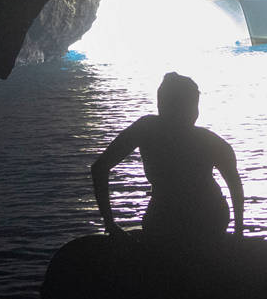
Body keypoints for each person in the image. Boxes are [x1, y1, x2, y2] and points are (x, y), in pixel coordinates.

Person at [91, 72, 243, 249]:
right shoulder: (212, 142)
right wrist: (238, 232)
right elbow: (235, 185)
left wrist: (110, 224)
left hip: (168, 219)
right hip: (207, 218)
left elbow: (99, 168)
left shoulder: (146, 129)